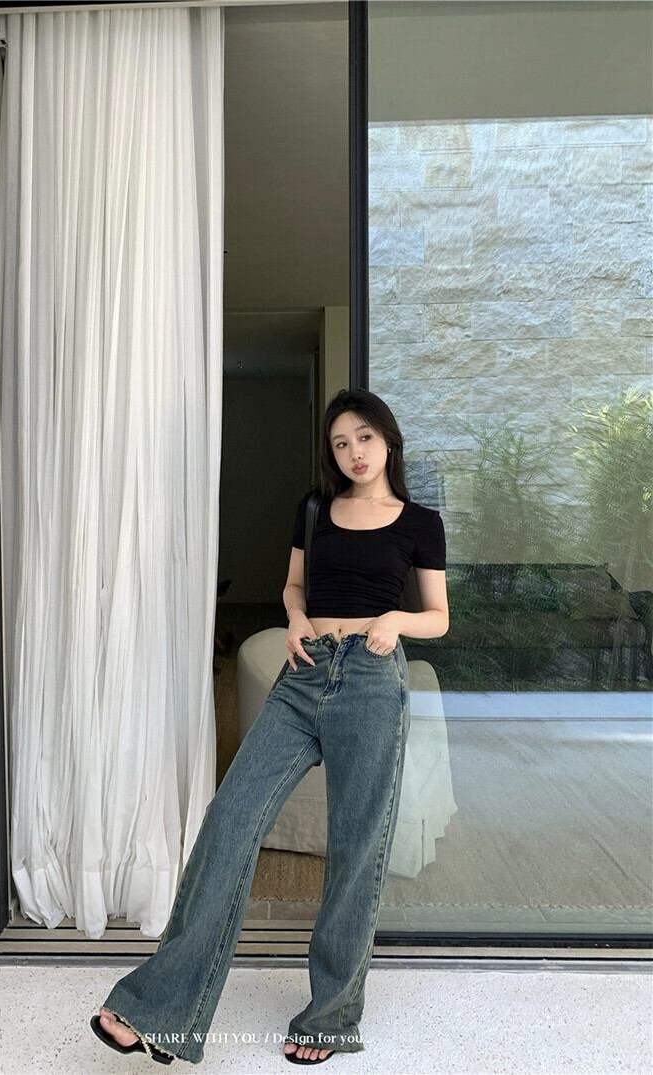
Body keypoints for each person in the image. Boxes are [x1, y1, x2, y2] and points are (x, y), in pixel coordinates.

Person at [90, 387, 449, 1066]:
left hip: (372, 681)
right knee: (230, 819)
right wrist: (296, 620)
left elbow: (438, 615)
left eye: (364, 437)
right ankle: (159, 1007)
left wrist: (395, 621)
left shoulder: (420, 522)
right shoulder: (315, 509)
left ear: (387, 440)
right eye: (340, 443)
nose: (354, 452)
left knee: (357, 849)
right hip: (305, 674)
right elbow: (293, 585)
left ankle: (330, 1018)